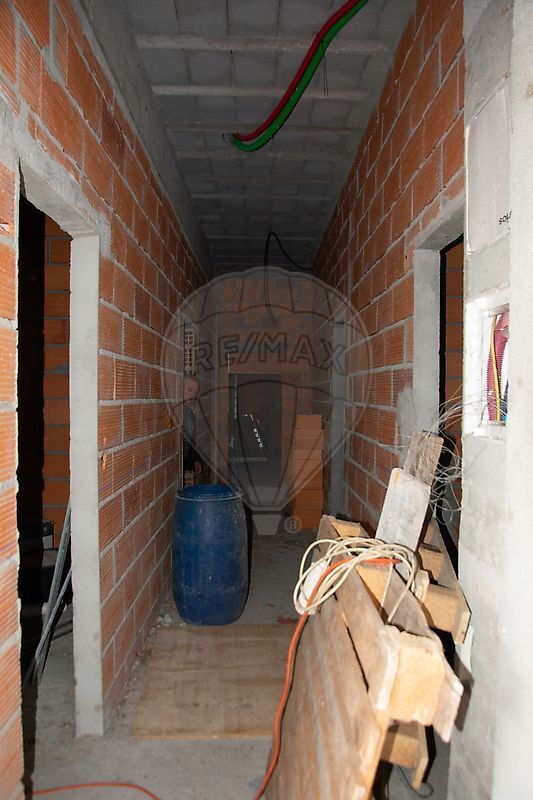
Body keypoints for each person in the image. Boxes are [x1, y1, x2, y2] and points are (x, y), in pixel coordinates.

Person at [182, 375, 203, 480]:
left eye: (195, 392)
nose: (193, 395)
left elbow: (190, 441)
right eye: (189, 390)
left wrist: (195, 460)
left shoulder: (189, 413)